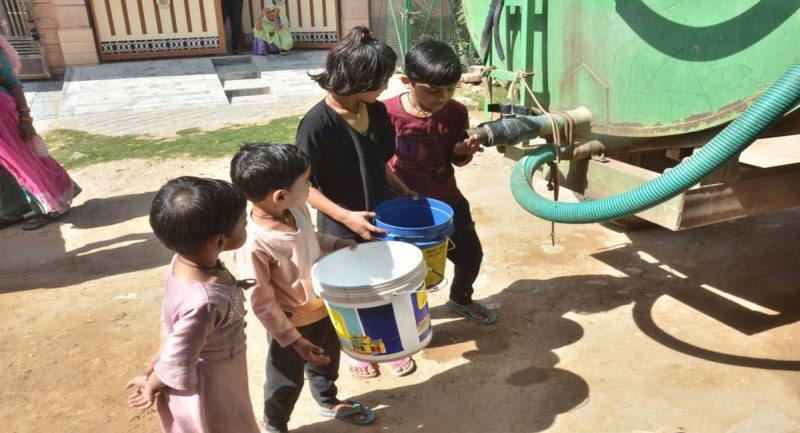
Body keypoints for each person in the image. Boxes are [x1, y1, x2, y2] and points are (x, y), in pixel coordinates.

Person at [296, 25, 417, 379]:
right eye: (380, 82)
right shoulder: (316, 125)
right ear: (356, 79)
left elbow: (377, 161)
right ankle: (355, 349)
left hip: (379, 214)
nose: (384, 88)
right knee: (350, 291)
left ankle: (388, 341)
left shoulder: (375, 111)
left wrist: (404, 190)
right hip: (339, 225)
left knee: (382, 284)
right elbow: (303, 187)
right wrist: (345, 217)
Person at [230, 143, 375, 433]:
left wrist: (333, 242)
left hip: (323, 306)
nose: (311, 186)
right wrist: (292, 338)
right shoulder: (254, 243)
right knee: (285, 378)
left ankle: (327, 399)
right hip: (291, 324)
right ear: (280, 195)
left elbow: (312, 237)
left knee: (326, 359)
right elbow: (261, 301)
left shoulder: (295, 209)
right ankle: (275, 423)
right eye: (306, 182)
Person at [125, 176, 260, 433]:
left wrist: (164, 348)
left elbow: (170, 316)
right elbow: (178, 361)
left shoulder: (182, 261)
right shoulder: (205, 301)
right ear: (220, 242)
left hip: (220, 370)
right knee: (227, 424)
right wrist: (153, 383)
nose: (247, 226)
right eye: (244, 223)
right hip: (210, 383)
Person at [384, 39, 497, 325]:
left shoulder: (456, 113)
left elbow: (456, 158)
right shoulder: (386, 113)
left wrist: (461, 152)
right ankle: (406, 319)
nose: (442, 97)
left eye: (451, 89)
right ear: (407, 81)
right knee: (405, 269)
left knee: (470, 255)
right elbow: (377, 161)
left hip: (447, 199)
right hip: (402, 208)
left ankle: (461, 298)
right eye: (433, 90)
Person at [0, 35, 79, 230]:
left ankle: (48, 208)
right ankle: (13, 211)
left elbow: (13, 84)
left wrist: (26, 120)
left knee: (24, 164)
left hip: (6, 120)